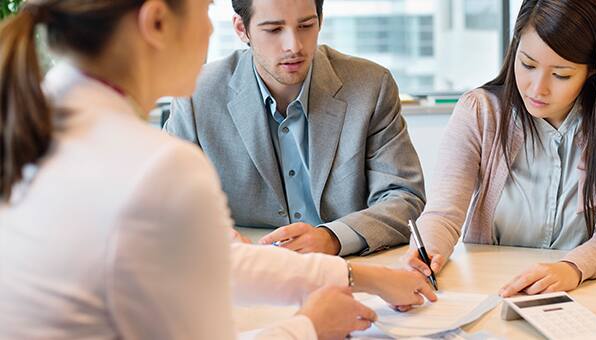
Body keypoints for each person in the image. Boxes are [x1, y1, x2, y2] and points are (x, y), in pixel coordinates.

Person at [0, 1, 434, 339]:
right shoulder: (157, 166)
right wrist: (309, 326)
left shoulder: (43, 120)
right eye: (204, 8)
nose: (211, 30)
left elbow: (212, 264)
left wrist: (360, 275)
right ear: (156, 23)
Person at [402, 0, 596, 298]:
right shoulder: (479, 112)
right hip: (492, 285)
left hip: (584, 287)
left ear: (593, 70)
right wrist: (428, 250)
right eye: (528, 65)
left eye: (561, 74)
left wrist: (572, 268)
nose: (537, 88)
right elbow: (443, 214)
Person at [164, 0, 425, 257]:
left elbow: (403, 197)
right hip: (249, 270)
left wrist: (333, 237)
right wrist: (215, 234)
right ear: (241, 29)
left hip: (346, 269)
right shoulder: (197, 93)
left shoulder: (370, 86)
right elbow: (164, 198)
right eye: (274, 29)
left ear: (320, 21)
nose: (294, 46)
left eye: (306, 26)